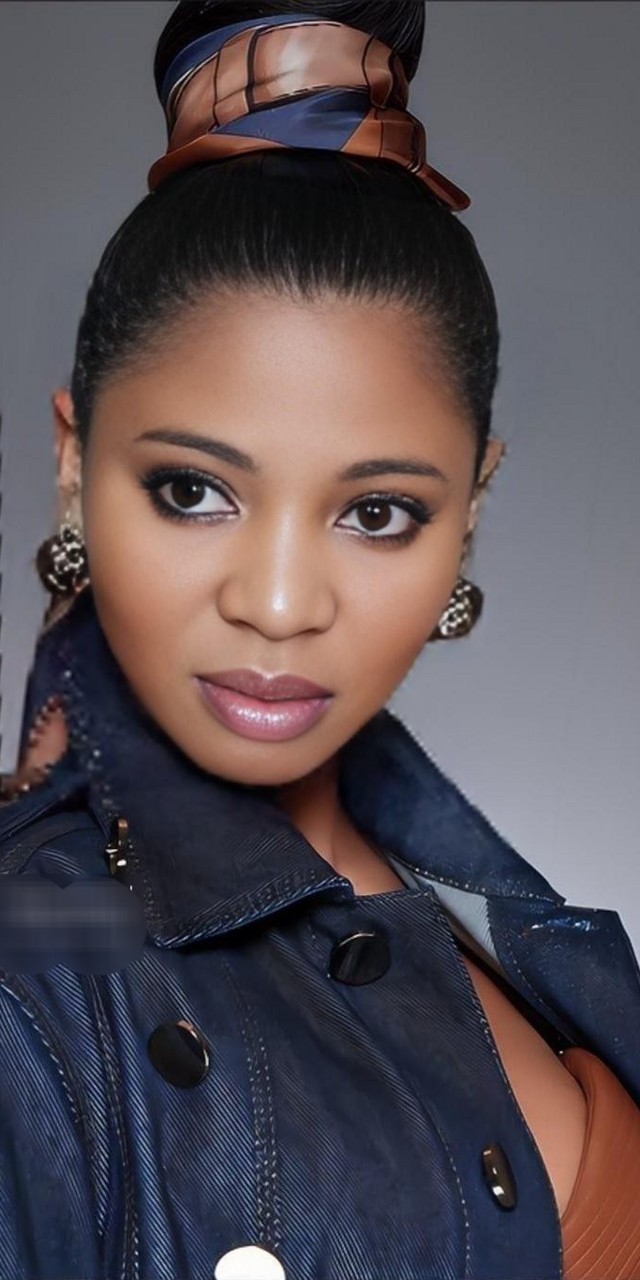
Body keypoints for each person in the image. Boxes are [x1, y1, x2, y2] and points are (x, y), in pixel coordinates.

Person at [1, 3, 639, 1277]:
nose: (282, 602)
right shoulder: (31, 978)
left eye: (378, 511)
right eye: (194, 489)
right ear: (75, 466)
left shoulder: (495, 915)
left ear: (469, 508)